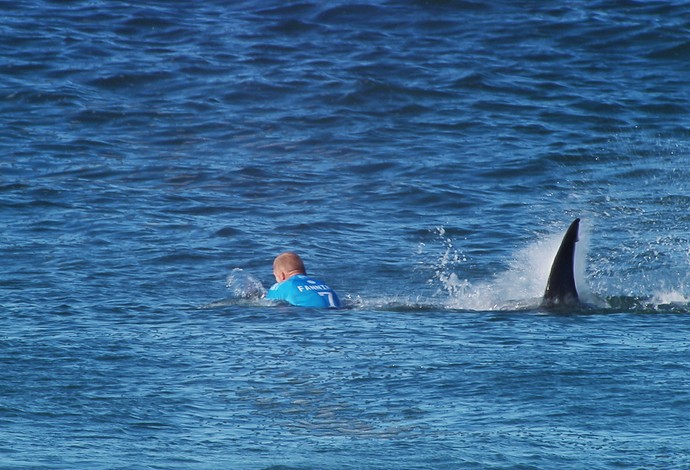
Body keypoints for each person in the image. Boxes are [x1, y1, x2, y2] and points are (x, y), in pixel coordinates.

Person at [266, 252, 341, 309]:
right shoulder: (321, 283)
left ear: (282, 275)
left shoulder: (283, 286)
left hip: (310, 315)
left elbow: (267, 304)